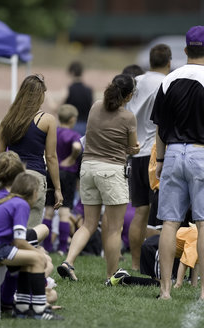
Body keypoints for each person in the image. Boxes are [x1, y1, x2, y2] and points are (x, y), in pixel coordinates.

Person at [151, 25, 204, 300]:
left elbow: (160, 128)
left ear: (185, 50)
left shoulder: (168, 80)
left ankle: (165, 290)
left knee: (169, 223)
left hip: (174, 153)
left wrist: (161, 159)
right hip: (203, 154)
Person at [57, 73, 140, 281]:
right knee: (114, 228)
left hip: (88, 169)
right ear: (129, 96)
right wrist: (135, 149)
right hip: (111, 171)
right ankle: (112, 275)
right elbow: (132, 147)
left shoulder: (95, 106)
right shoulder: (128, 117)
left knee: (88, 224)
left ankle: (68, 261)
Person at [0, 172, 62, 320]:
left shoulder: (13, 201)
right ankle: (39, 310)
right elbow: (19, 241)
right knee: (37, 259)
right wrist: (38, 253)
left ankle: (22, 308)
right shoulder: (21, 204)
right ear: (34, 193)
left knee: (31, 259)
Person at [107, 205, 204, 288]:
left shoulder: (203, 235)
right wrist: (179, 284)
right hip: (154, 249)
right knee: (163, 284)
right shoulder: (198, 236)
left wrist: (194, 284)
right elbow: (185, 261)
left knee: (168, 282)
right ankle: (124, 278)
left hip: (157, 247)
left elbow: (196, 261)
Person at [125, 44, 172, 271]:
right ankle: (153, 266)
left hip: (135, 154)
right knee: (155, 216)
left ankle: (135, 263)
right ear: (169, 62)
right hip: (156, 155)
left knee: (140, 212)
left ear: (149, 61)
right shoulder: (167, 83)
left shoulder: (137, 81)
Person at [0, 74, 63, 228]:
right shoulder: (47, 120)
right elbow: (51, 157)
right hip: (34, 177)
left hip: (11, 178)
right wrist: (58, 189)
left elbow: (0, 153)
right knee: (30, 231)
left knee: (10, 228)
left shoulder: (7, 120)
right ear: (39, 95)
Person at [42, 104, 82, 255]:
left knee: (48, 211)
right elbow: (77, 147)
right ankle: (62, 247)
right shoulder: (73, 135)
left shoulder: (53, 132)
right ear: (72, 119)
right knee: (64, 211)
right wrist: (71, 158)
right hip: (67, 175)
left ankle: (46, 246)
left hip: (51, 172)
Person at [65, 61, 93, 135]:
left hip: (71, 126)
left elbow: (56, 109)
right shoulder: (89, 90)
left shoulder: (68, 90)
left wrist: (49, 99)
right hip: (86, 126)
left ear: (72, 72)